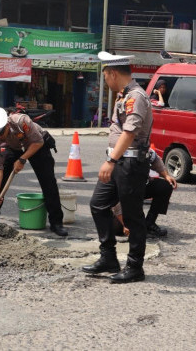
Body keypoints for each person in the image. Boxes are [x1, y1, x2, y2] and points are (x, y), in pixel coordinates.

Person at [82, 51, 153, 284]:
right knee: (98, 204)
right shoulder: (124, 95)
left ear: (112, 73)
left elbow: (130, 132)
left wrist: (111, 160)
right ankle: (108, 257)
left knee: (132, 216)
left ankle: (134, 267)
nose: (106, 81)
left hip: (130, 163)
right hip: (120, 161)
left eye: (105, 77)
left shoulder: (136, 97)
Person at [0, 107, 68, 237]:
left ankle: (56, 222)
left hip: (36, 145)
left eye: (2, 133)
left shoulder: (21, 121)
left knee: (48, 181)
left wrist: (22, 159)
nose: (0, 137)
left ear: (6, 124)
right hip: (13, 147)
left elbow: (38, 142)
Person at [112, 147, 178, 238]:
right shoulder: (122, 158)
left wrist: (166, 175)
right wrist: (124, 224)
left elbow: (155, 159)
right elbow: (115, 200)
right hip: (119, 201)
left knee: (165, 186)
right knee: (118, 229)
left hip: (138, 188)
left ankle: (149, 223)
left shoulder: (143, 149)